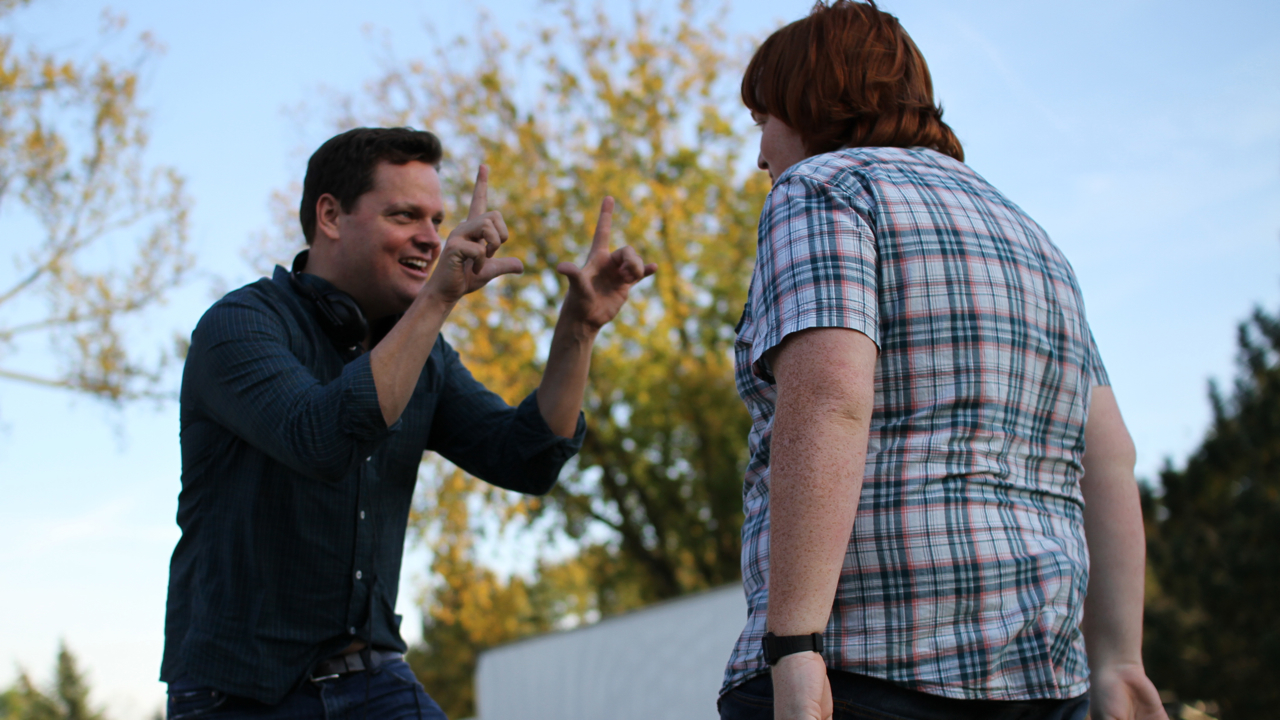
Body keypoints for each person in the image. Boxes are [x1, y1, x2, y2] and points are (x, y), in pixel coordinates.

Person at [717, 3, 1165, 720]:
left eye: (762, 119)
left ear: (809, 100)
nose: (760, 152)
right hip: (1045, 680)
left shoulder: (822, 189)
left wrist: (795, 645)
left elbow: (832, 396)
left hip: (868, 668)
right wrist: (1119, 659)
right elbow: (1109, 455)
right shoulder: (1031, 236)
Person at [161, 126, 655, 718]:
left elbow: (525, 457)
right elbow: (321, 439)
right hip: (240, 693)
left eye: (437, 220)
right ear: (331, 216)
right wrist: (437, 301)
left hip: (374, 679)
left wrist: (579, 328)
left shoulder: (424, 355)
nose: (432, 240)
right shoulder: (239, 327)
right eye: (405, 216)